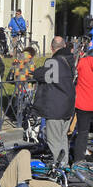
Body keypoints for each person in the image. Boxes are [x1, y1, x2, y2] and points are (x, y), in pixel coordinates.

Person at [31, 36, 75, 165]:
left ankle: (60, 169)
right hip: (68, 105)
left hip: (56, 107)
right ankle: (65, 166)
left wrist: (35, 72)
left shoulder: (55, 61)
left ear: (51, 47)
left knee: (53, 140)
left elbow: (44, 75)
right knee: (62, 139)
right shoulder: (70, 59)